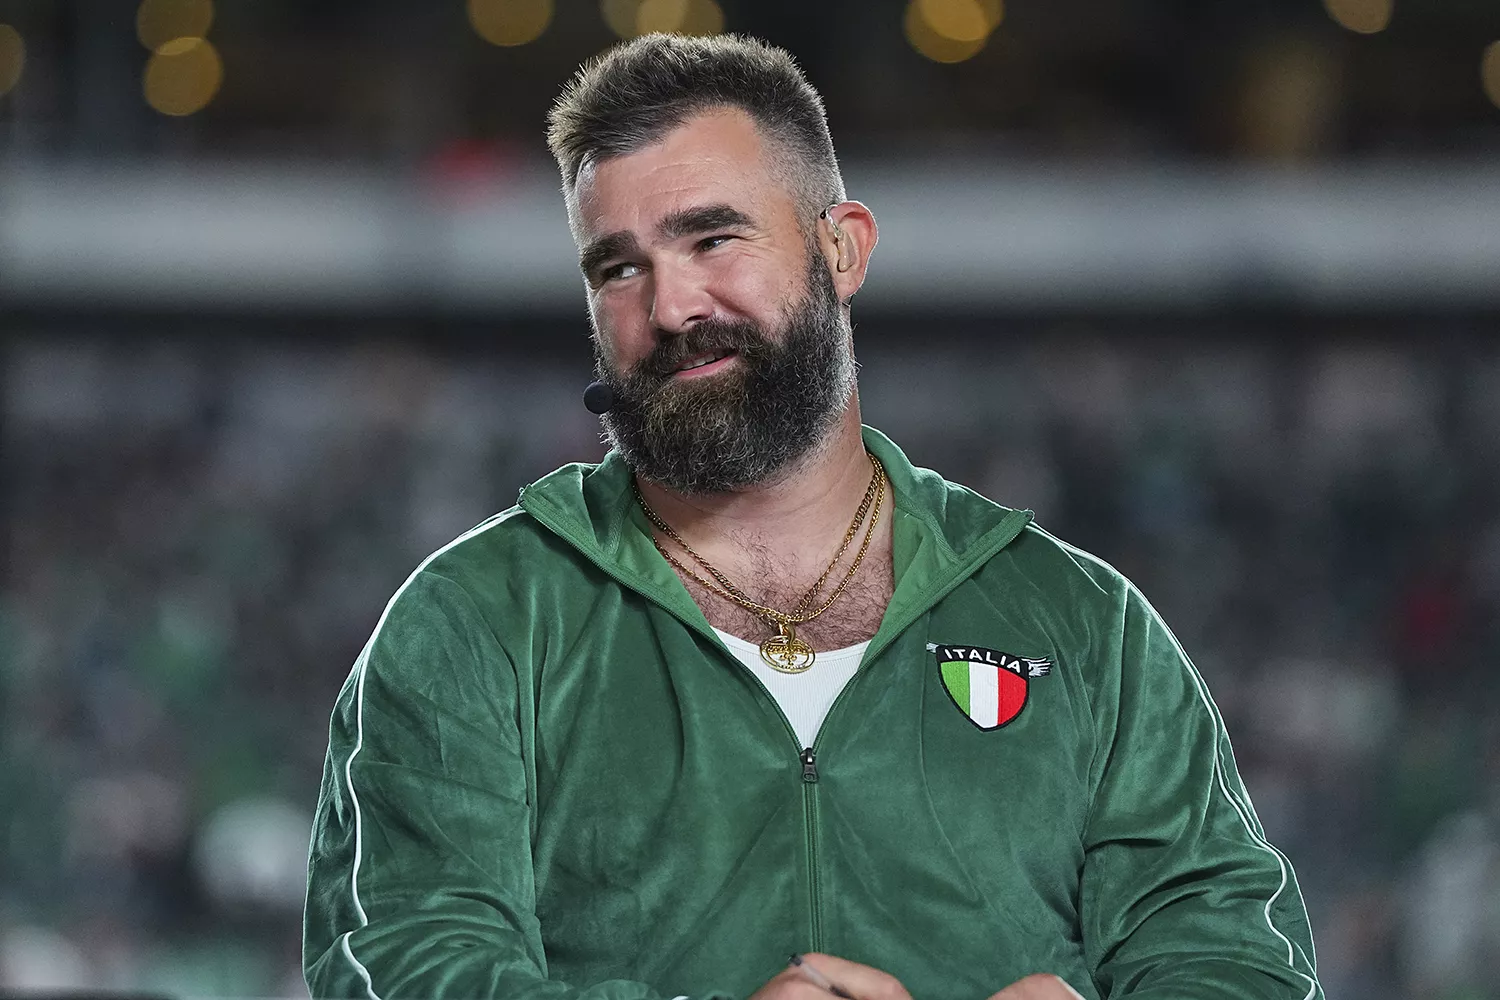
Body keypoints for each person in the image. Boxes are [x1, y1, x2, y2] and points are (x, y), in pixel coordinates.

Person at [302, 33, 1322, 1000]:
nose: (670, 307)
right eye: (619, 267)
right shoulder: (479, 620)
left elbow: (1233, 952)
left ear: (842, 249)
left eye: (713, 237)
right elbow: (402, 963)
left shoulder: (1080, 622)